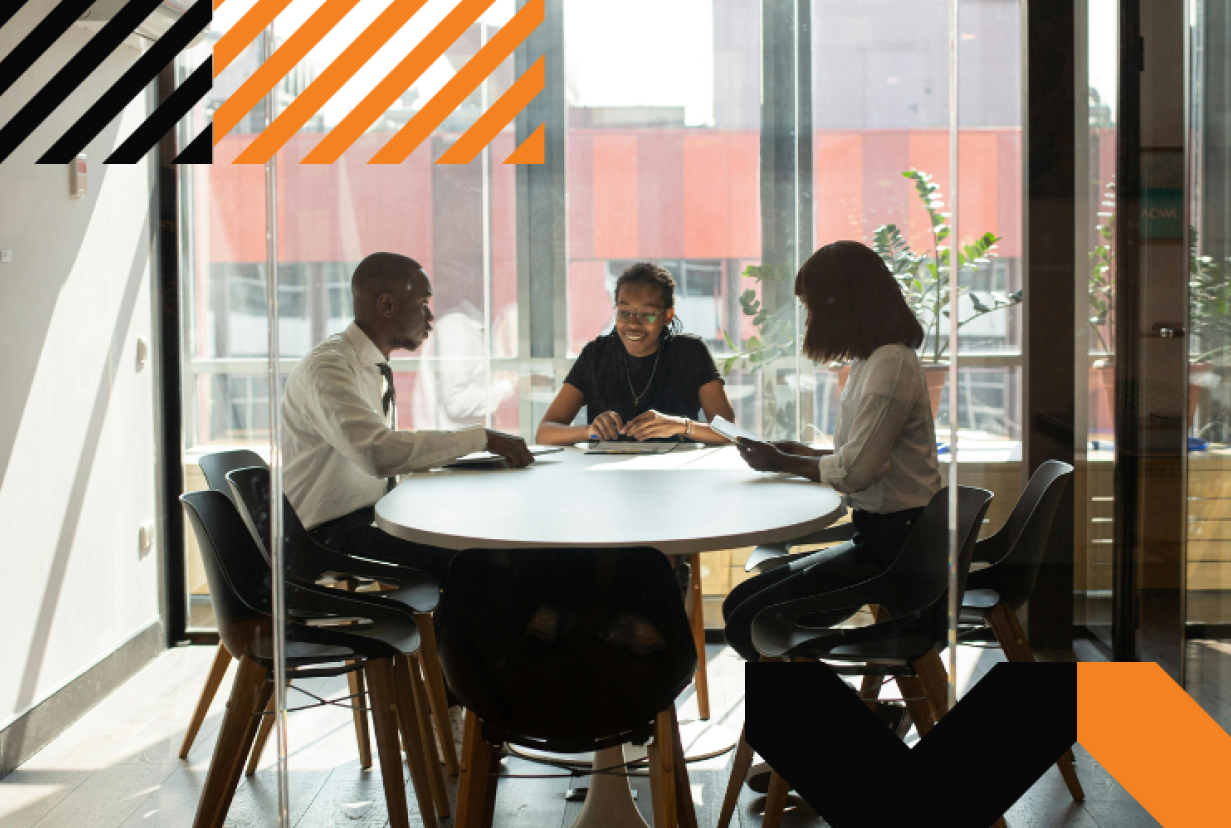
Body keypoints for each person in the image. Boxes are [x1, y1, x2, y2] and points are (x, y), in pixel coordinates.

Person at [723, 239, 942, 663]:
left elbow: (857, 473)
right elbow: (861, 455)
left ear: (841, 304)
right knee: (741, 608)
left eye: (811, 307)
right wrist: (801, 453)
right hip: (881, 536)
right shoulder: (871, 362)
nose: (810, 319)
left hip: (896, 551)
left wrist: (782, 461)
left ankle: (818, 725)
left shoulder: (889, 365)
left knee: (750, 619)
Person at [281, 252, 534, 577]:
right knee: (470, 559)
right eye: (422, 303)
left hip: (369, 515)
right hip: (326, 536)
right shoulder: (329, 368)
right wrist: (481, 438)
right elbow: (378, 452)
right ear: (386, 305)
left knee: (477, 537)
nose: (430, 316)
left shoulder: (369, 366)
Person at [535, 262, 736, 445]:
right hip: (605, 475)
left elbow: (730, 433)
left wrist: (682, 426)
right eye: (624, 312)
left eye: (647, 314)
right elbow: (545, 433)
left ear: (668, 315)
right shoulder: (596, 354)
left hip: (674, 475)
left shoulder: (690, 352)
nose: (633, 323)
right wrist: (589, 431)